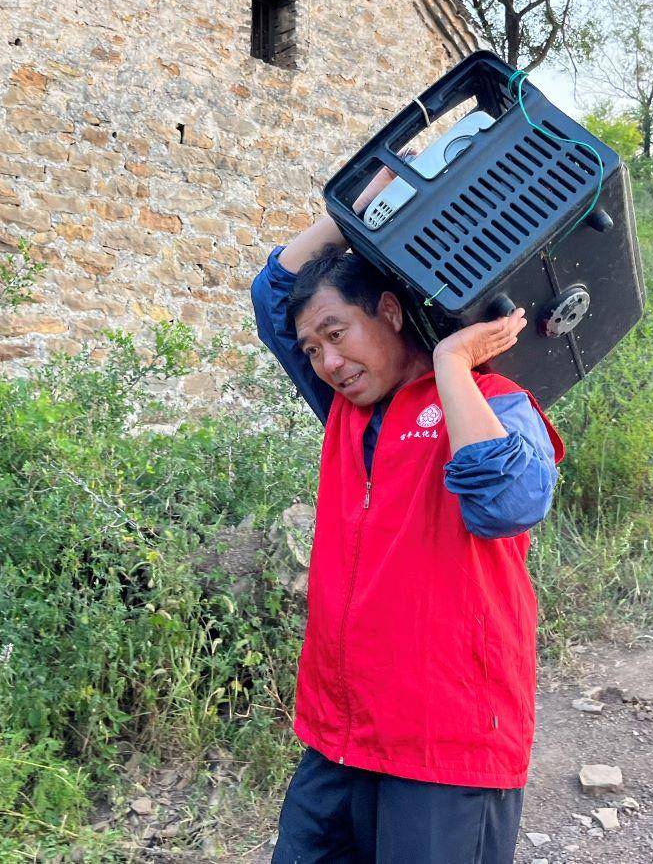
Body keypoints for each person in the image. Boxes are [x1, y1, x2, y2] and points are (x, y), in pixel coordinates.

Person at [250, 163, 565, 863]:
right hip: (343, 733)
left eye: (337, 333)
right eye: (313, 349)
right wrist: (345, 219)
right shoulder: (344, 407)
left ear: (389, 312)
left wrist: (454, 366)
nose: (327, 361)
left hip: (445, 742)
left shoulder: (497, 399)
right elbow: (272, 293)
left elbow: (508, 505)